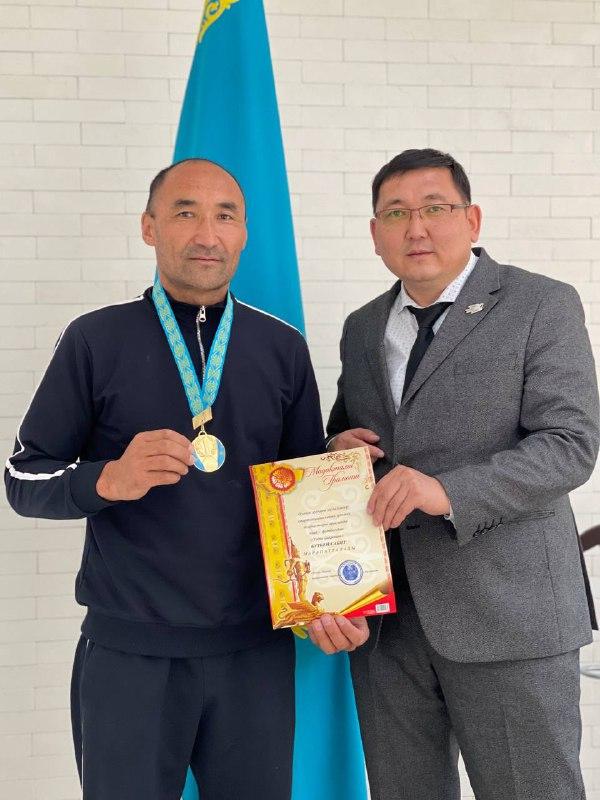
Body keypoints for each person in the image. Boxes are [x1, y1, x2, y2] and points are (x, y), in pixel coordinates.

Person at [5, 158, 327, 800]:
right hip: (131, 656)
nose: (207, 234)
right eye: (185, 213)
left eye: (225, 216)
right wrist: (107, 480)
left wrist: (335, 598)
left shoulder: (283, 347)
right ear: (149, 227)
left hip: (253, 656)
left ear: (243, 234)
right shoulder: (94, 339)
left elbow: (306, 495)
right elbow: (22, 477)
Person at [308, 148, 599, 800]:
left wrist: (446, 491)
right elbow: (350, 431)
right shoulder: (362, 328)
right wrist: (336, 446)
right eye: (396, 213)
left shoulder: (540, 304)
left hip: (511, 615)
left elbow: (570, 444)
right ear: (375, 233)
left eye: (435, 208)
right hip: (387, 625)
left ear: (472, 219)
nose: (416, 227)